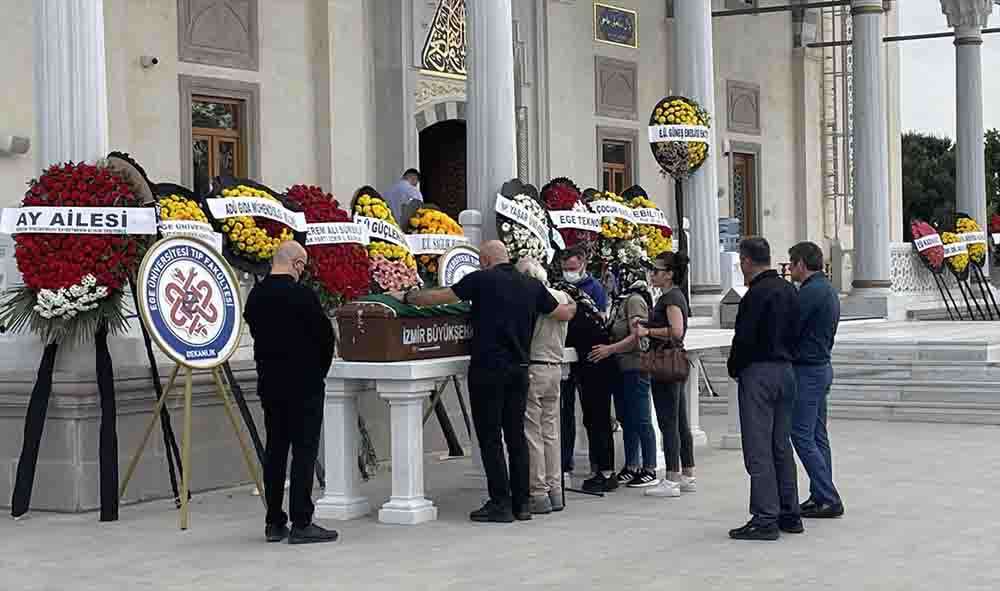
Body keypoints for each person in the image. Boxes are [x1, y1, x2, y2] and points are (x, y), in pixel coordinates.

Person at [387, 241, 576, 523]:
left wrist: (407, 297)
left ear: (485, 260)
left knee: (490, 438)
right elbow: (562, 313)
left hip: (488, 368)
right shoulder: (531, 286)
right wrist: (573, 303)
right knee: (516, 437)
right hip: (520, 369)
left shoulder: (481, 279)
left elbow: (441, 298)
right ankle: (522, 503)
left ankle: (500, 502)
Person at [244, 241, 338, 545]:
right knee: (304, 453)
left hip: (270, 384)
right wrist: (318, 372)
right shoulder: (303, 295)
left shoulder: (256, 296)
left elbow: (256, 331)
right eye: (303, 266)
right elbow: (325, 338)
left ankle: (273, 521)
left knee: (275, 452)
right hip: (305, 384)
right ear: (297, 263)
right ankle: (301, 521)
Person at [726, 237, 802, 541]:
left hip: (759, 371)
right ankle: (789, 512)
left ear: (746, 261)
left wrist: (735, 367)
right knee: (780, 445)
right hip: (787, 370)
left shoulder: (755, 294)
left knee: (758, 447)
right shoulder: (788, 290)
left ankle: (765, 517)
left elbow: (743, 339)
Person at [788, 242, 845, 519]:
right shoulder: (827, 289)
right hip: (820, 366)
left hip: (808, 369)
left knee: (800, 434)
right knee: (817, 435)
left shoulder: (810, 292)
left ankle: (828, 496)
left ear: (801, 264)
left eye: (791, 263)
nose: (789, 269)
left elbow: (790, 326)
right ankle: (820, 495)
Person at [634, 251, 697, 498]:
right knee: (680, 420)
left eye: (657, 270)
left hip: (666, 361)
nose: (653, 274)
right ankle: (687, 473)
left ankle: (672, 477)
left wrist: (647, 333)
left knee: (669, 421)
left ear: (669, 274)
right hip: (673, 362)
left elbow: (676, 331)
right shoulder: (674, 295)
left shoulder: (670, 297)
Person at [590, 276, 659, 489]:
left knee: (641, 418)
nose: (607, 280)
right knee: (626, 419)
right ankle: (631, 465)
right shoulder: (619, 301)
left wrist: (610, 349)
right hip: (620, 368)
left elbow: (637, 335)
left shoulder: (634, 300)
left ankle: (649, 467)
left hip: (635, 366)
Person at [515, 258, 572, 514]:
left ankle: (538, 492)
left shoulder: (530, 298)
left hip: (535, 366)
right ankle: (555, 490)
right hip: (555, 365)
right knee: (551, 431)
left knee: (532, 433)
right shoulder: (562, 296)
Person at [557, 246, 609, 476]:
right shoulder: (558, 287)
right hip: (564, 354)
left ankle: (600, 467)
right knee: (563, 414)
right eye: (565, 268)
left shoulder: (594, 289)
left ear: (584, 265)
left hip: (589, 355)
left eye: (573, 268)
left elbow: (599, 319)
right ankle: (563, 463)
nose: (569, 272)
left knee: (594, 414)